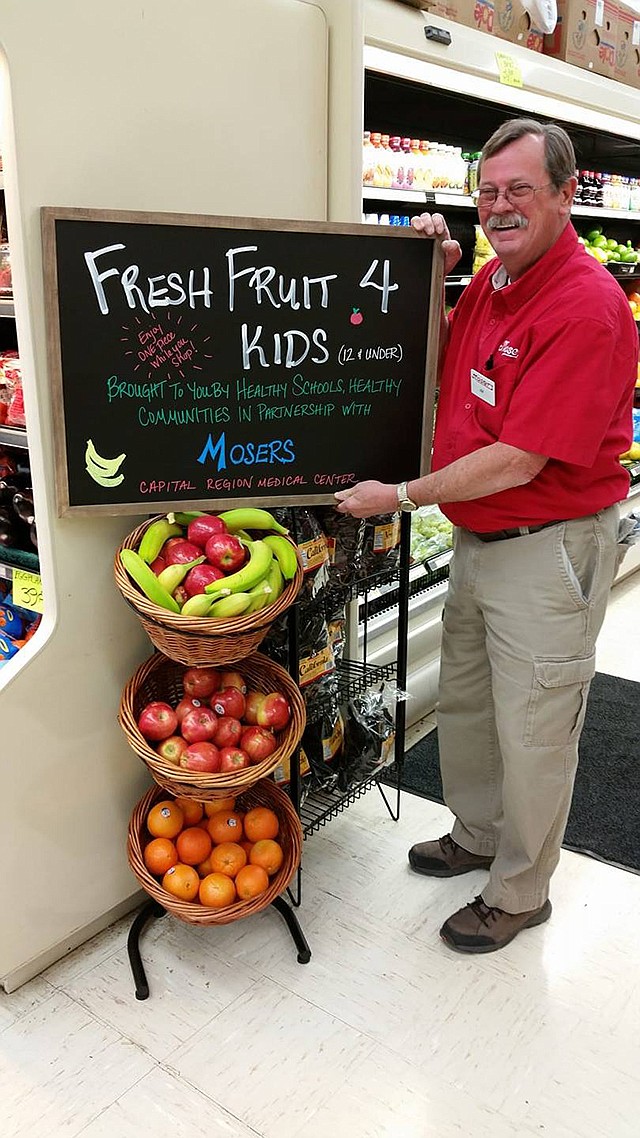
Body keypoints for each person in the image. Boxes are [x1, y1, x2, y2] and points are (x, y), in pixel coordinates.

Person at [335, 118, 638, 954]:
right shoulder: (499, 283)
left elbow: (519, 459)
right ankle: (475, 834)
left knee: (537, 729)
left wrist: (400, 494)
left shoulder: (587, 306)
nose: (500, 208)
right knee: (469, 705)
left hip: (548, 549)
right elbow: (438, 371)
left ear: (566, 195)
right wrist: (428, 277)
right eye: (489, 193)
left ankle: (519, 889)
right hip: (481, 544)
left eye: (521, 192)